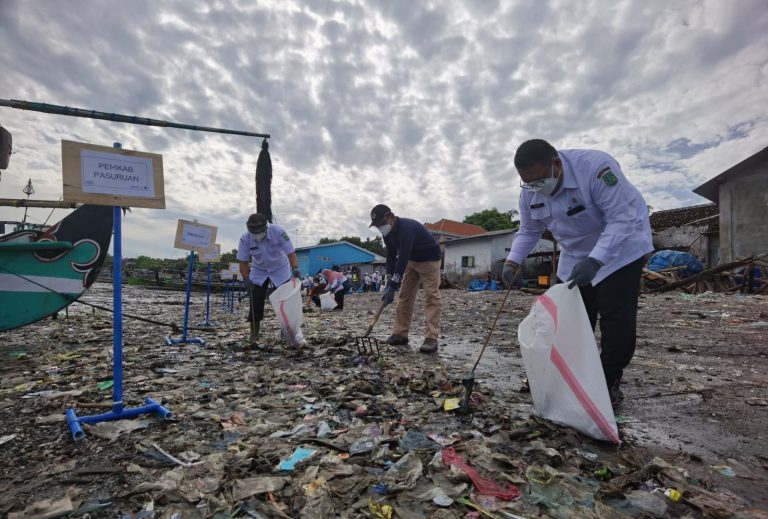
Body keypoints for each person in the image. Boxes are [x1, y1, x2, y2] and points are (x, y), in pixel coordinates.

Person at [502, 139, 653, 405]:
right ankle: (568, 377)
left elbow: (622, 218)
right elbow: (529, 230)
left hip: (621, 249)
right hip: (574, 256)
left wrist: (597, 259)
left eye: (539, 181)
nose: (536, 188)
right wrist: (513, 261)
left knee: (616, 320)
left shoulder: (596, 168)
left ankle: (608, 382)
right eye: (529, 183)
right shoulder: (530, 192)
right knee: (567, 320)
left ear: (557, 164)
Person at [369, 204, 442, 353]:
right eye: (377, 226)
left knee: (431, 297)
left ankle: (431, 337)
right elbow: (391, 255)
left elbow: (402, 256)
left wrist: (394, 284)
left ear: (390, 216)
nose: (380, 228)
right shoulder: (387, 234)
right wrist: (389, 280)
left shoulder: (406, 228)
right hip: (411, 261)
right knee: (404, 296)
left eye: (381, 224)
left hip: (429, 259)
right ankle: (400, 334)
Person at [237, 213, 305, 348]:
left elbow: (290, 252)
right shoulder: (245, 239)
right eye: (253, 232)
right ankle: (254, 334)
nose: (256, 234)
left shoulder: (278, 232)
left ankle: (286, 334)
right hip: (259, 270)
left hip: (280, 269)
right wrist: (245, 278)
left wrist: (295, 268)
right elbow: (243, 261)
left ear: (266, 227)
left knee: (284, 302)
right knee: (255, 301)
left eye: (259, 231)